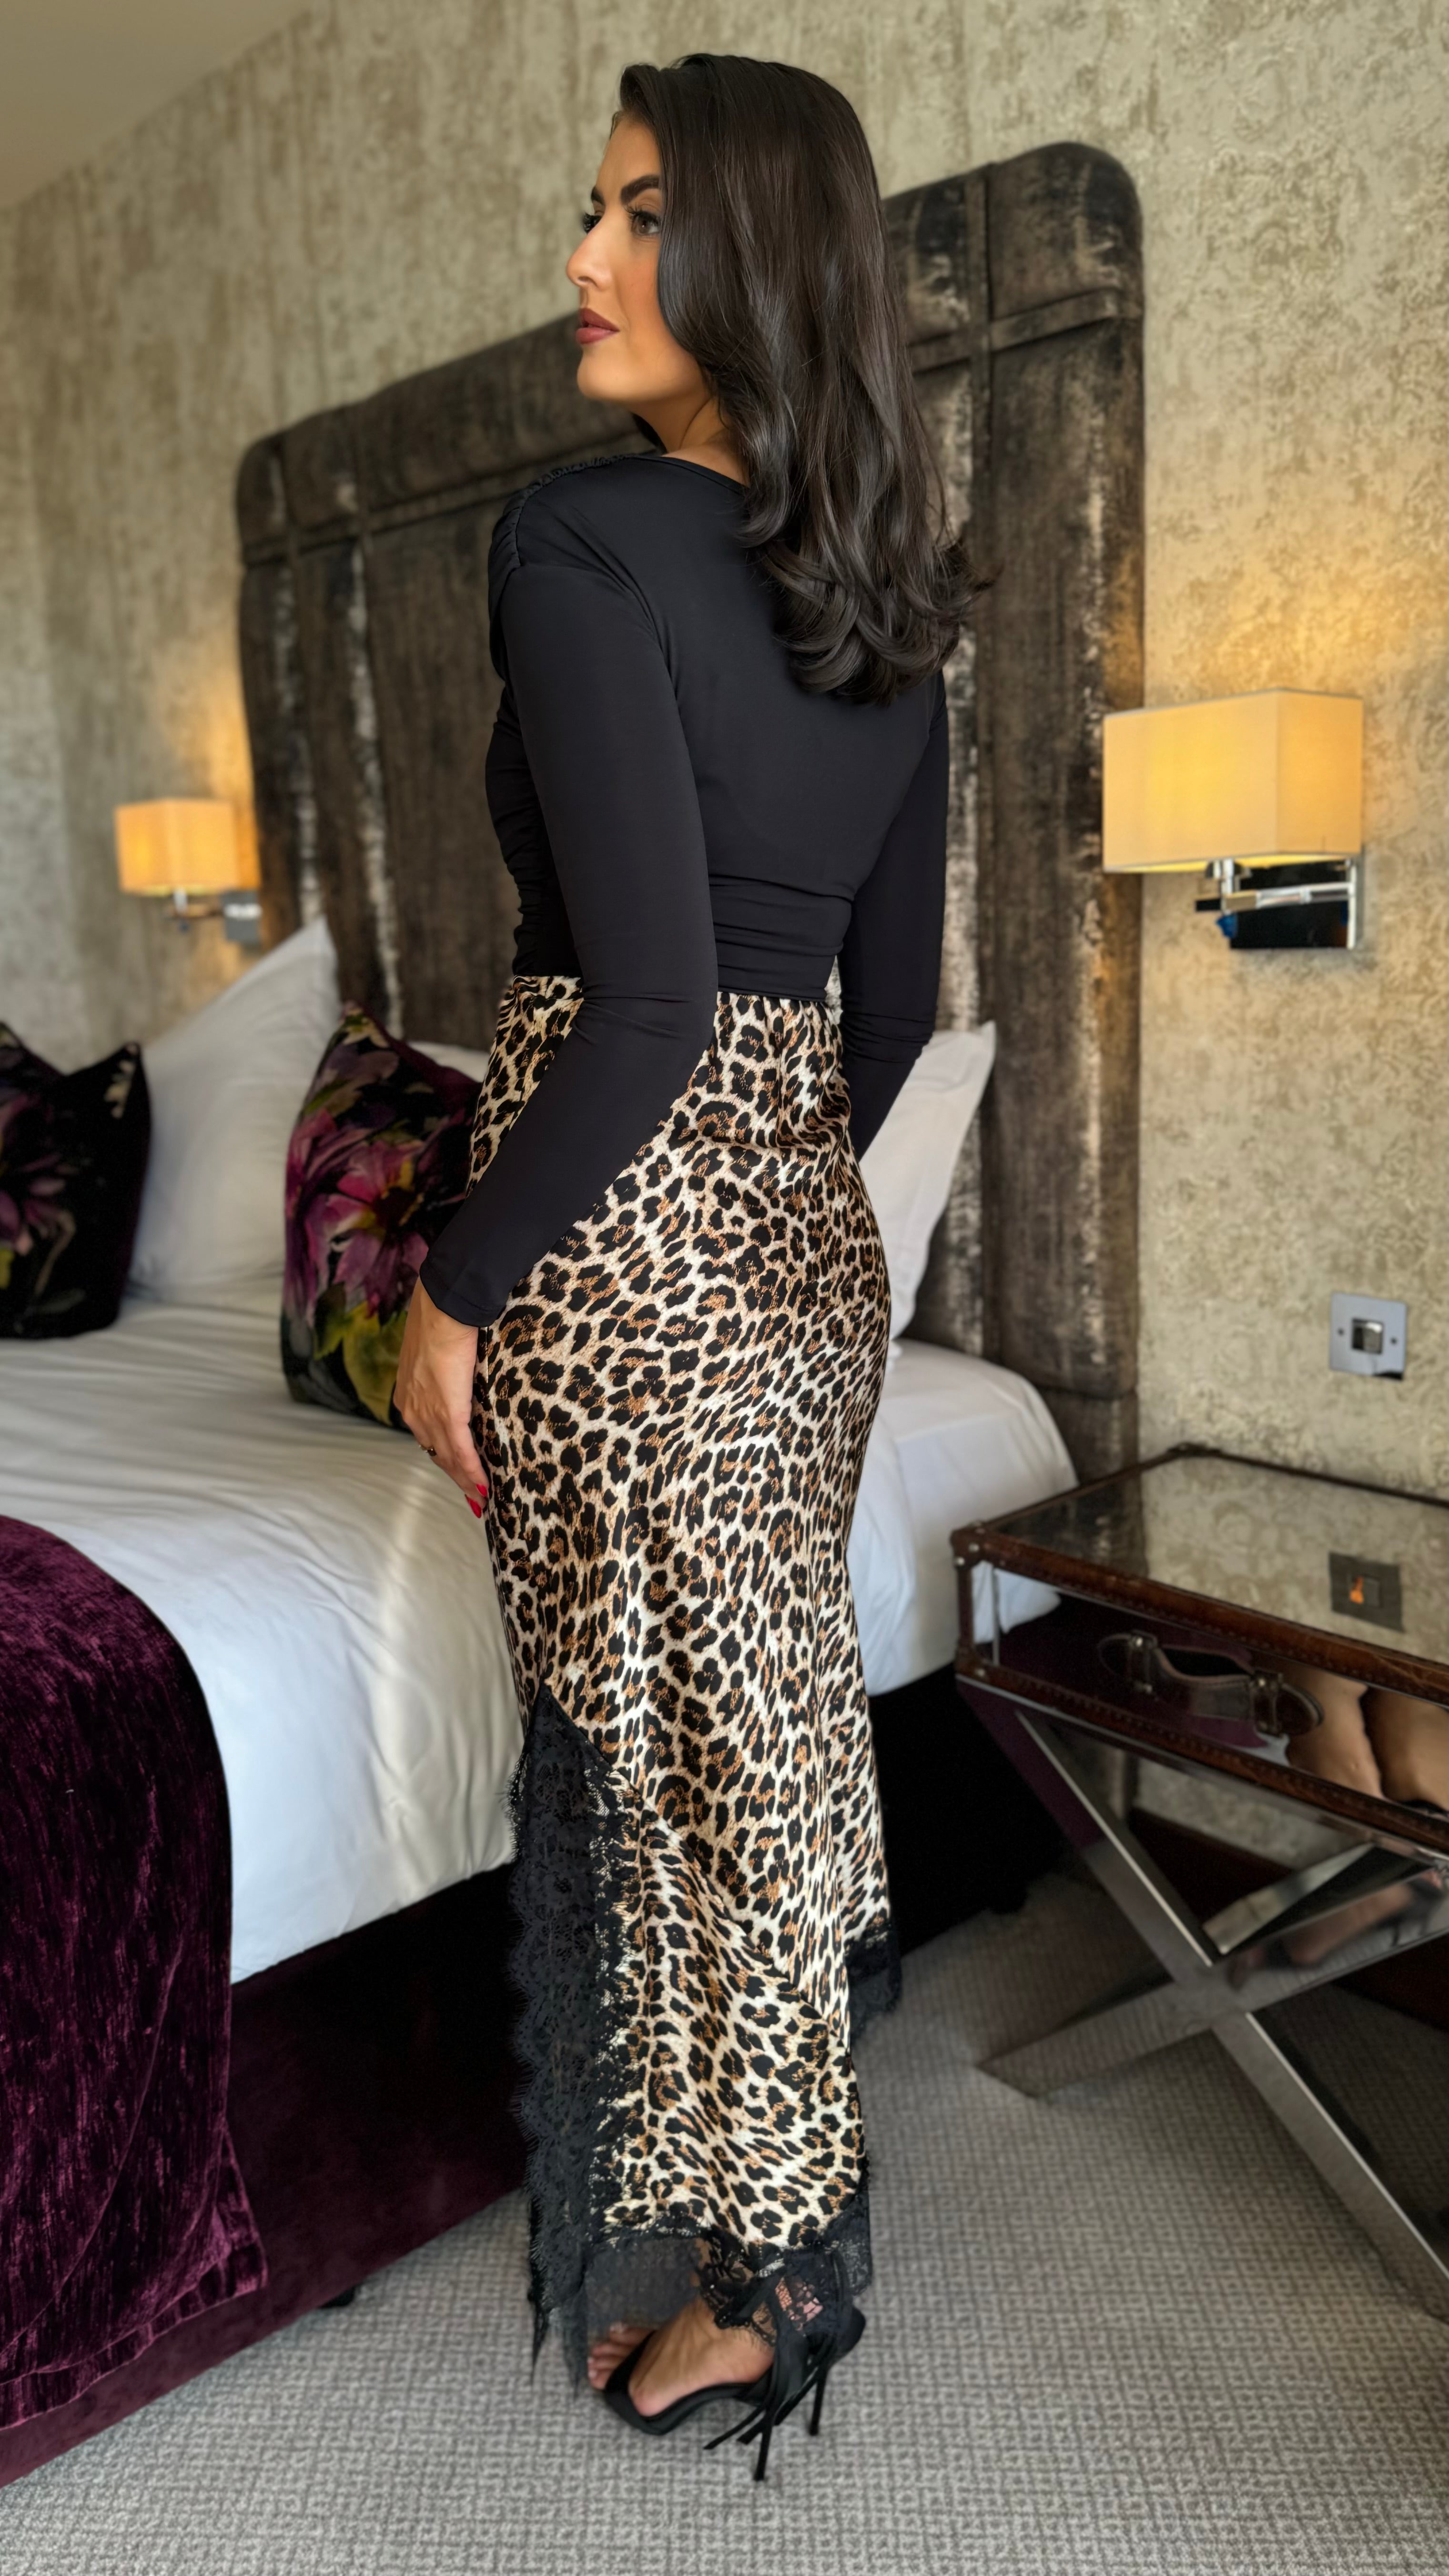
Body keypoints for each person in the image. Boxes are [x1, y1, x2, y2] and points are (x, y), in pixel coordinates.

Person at [394, 51, 969, 2478]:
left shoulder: (579, 541)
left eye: (637, 212)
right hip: (792, 1246)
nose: (582, 257)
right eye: (594, 207)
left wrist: (449, 1291)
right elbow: (876, 1019)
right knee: (763, 1733)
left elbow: (631, 1005)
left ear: (749, 251)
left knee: (663, 1768)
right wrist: (757, 1226)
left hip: (609, 1239)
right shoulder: (893, 609)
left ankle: (761, 2269)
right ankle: (772, 2237)